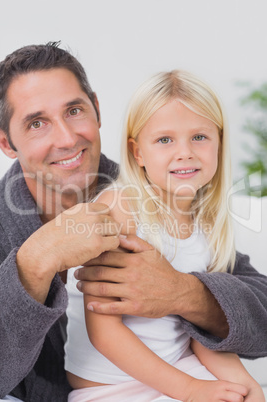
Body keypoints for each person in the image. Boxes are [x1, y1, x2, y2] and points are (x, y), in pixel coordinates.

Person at [0, 43, 266, 401]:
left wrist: (185, 293)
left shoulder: (164, 190)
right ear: (6, 142)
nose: (65, 138)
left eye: (74, 110)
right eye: (36, 123)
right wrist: (34, 263)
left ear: (96, 108)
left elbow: (259, 313)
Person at [65, 70, 265, 401]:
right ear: (138, 152)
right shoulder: (120, 207)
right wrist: (189, 390)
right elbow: (104, 333)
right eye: (164, 140)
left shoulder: (208, 221)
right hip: (112, 388)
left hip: (180, 368)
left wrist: (245, 385)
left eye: (199, 137)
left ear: (220, 142)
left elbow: (201, 332)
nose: (184, 152)